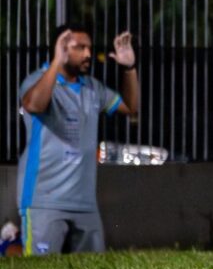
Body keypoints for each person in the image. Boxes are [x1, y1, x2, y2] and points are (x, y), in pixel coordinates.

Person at [16, 25, 139, 256]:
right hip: (44, 201)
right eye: (80, 48)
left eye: (89, 48)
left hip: (85, 204)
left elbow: (131, 107)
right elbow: (33, 105)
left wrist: (129, 68)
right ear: (60, 49)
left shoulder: (92, 88)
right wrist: (56, 62)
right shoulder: (37, 81)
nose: (88, 54)